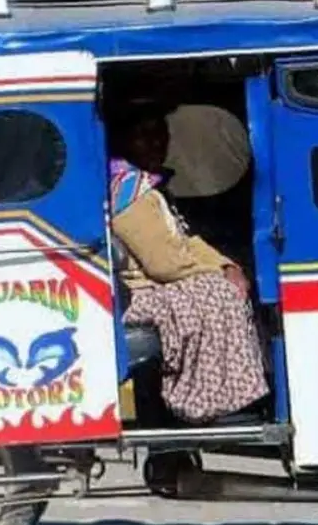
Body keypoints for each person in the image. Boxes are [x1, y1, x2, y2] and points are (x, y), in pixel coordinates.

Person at [106, 103, 270, 424]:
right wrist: (218, 275)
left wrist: (226, 266)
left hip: (163, 281)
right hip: (143, 294)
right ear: (124, 141)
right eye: (143, 136)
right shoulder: (129, 193)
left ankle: (242, 387)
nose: (156, 143)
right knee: (218, 294)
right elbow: (164, 263)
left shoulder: (151, 187)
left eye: (159, 134)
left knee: (234, 278)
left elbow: (188, 240)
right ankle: (210, 400)